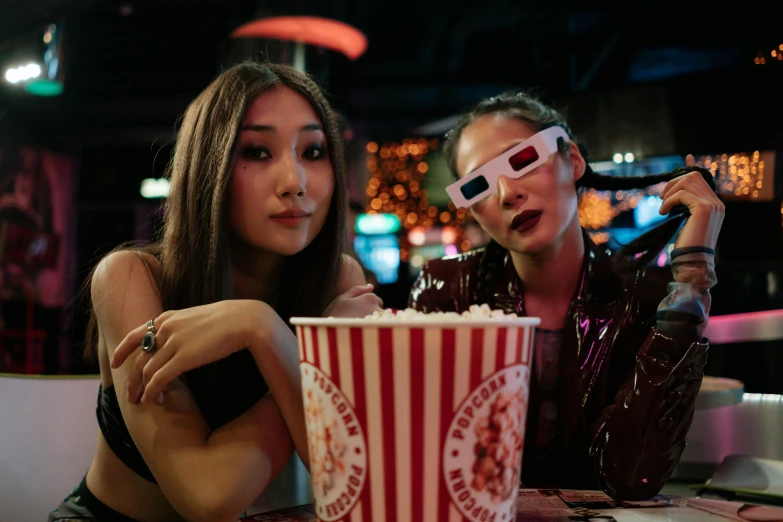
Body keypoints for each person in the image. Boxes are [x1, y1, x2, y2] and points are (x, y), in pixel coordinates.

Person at [49, 62, 382, 522]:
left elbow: (354, 475)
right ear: (210, 166)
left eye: (313, 150)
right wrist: (268, 330)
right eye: (258, 152)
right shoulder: (130, 276)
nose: (295, 183)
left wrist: (270, 337)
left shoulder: (338, 280)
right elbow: (209, 497)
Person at [409, 91, 724, 500]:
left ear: (572, 160)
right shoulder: (446, 290)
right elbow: (431, 462)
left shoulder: (641, 296)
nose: (506, 193)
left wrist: (692, 279)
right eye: (479, 185)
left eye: (521, 160)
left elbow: (631, 477)